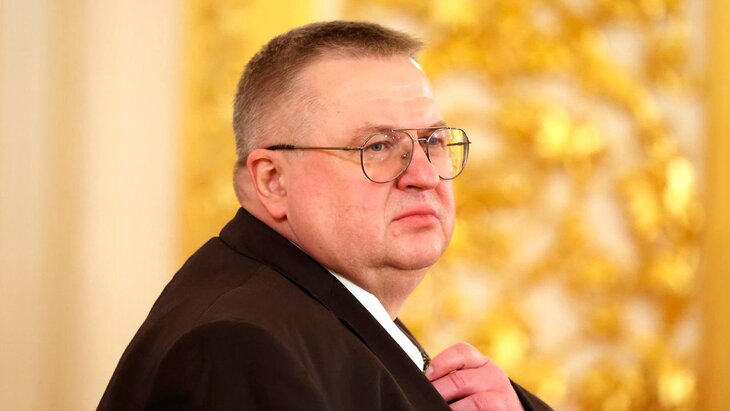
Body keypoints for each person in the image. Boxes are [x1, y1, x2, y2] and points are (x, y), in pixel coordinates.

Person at [98, 21, 552, 411]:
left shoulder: (312, 308)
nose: (424, 176)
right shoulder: (241, 345)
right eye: (378, 146)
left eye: (432, 142)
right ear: (274, 181)